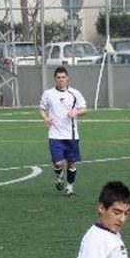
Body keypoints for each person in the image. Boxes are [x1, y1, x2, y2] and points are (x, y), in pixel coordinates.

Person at [39, 65, 87, 196]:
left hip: (71, 135)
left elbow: (84, 109)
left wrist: (76, 111)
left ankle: (70, 187)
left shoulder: (75, 93)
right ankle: (59, 176)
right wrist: (46, 119)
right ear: (55, 79)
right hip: (55, 134)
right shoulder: (48, 94)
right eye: (58, 77)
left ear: (67, 78)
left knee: (71, 163)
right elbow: (42, 109)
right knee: (58, 162)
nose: (61, 80)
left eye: (63, 77)